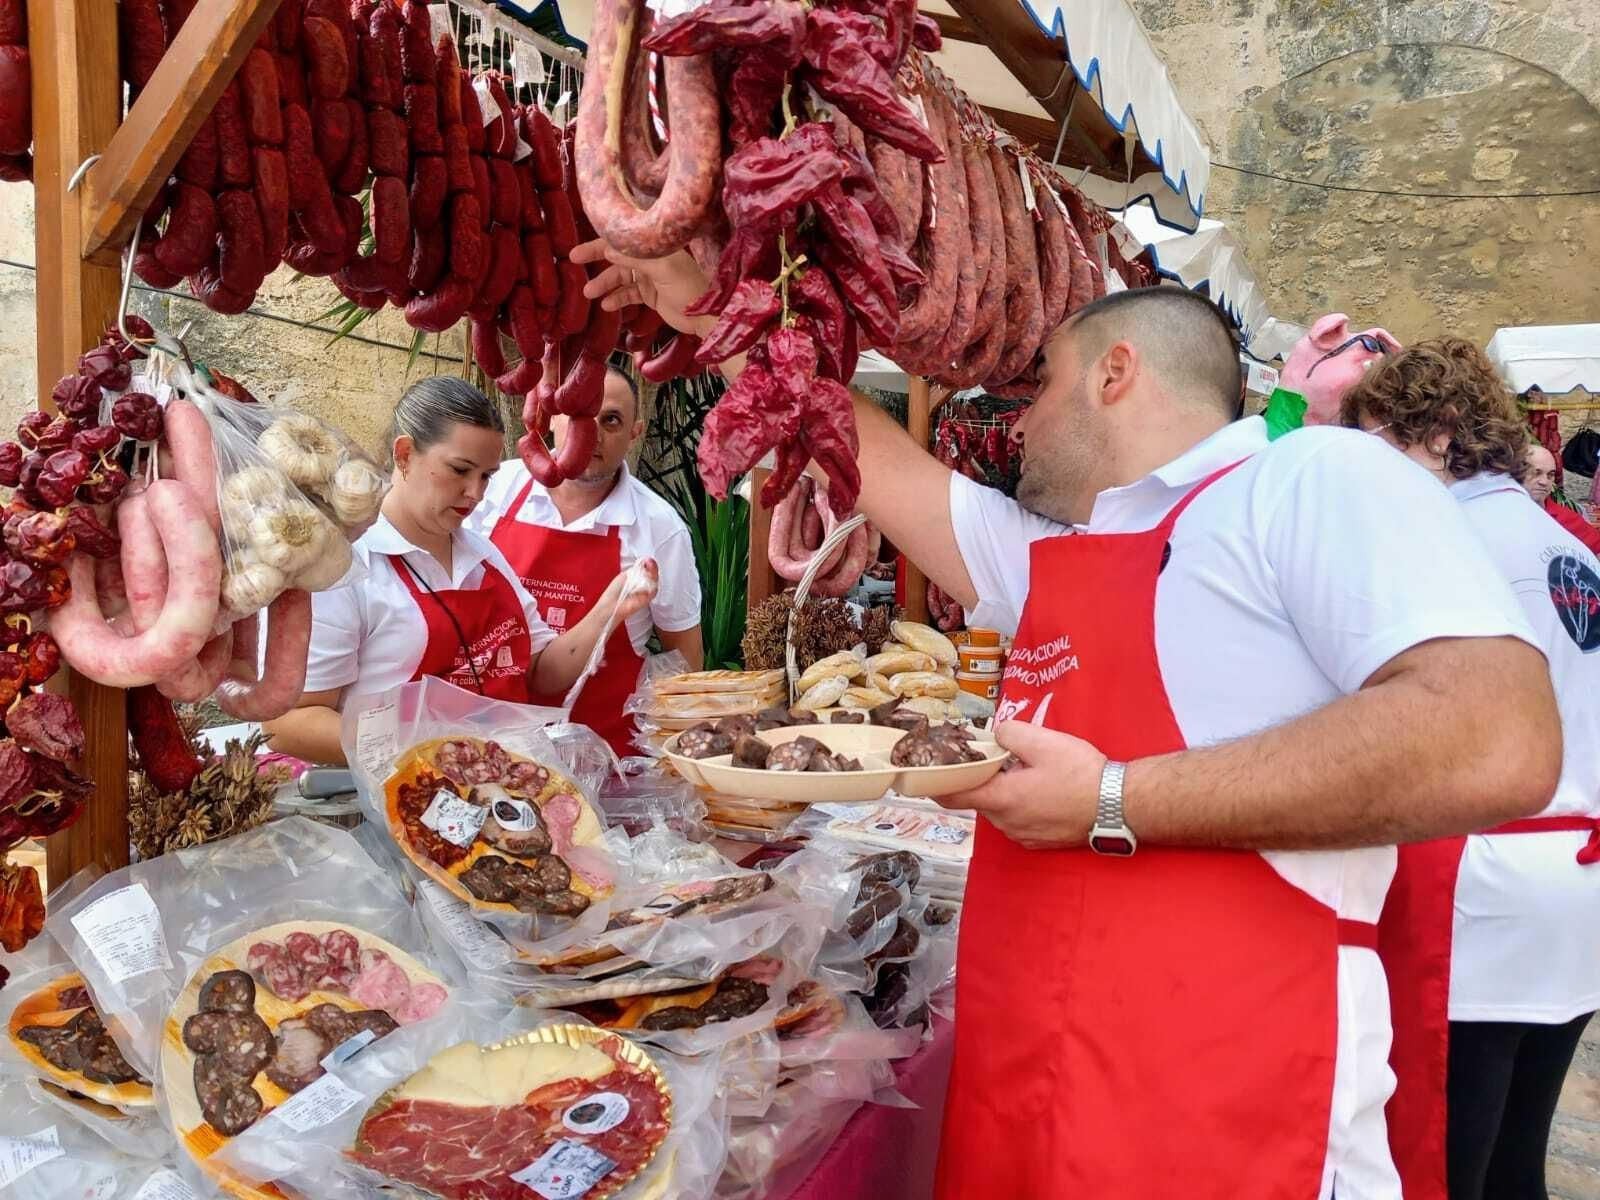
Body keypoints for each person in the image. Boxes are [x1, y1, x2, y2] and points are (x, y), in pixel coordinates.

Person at [574, 238, 1561, 1199]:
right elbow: (862, 447)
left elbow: (1495, 738)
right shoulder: (1058, 553)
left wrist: (1112, 799)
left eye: (1039, 386)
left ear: (1115, 374)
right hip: (1032, 1100)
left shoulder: (1307, 481)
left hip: (1225, 1113)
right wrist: (701, 304)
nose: (1018, 424)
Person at [1343, 340, 1600, 1200]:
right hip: (1572, 882)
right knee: (1519, 1154)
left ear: (1442, 432)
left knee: (1444, 1157)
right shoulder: (1563, 543)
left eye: (1383, 444)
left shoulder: (1451, 538)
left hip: (1484, 887)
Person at [264, 377, 656, 765]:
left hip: (491, 789)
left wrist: (611, 607)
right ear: (404, 455)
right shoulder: (345, 568)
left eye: (486, 476)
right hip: (387, 799)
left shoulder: (483, 555)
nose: (476, 493)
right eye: (459, 470)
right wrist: (429, 749)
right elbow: (287, 723)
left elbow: (541, 672)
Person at [465, 363, 702, 756]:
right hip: (491, 738)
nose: (591, 434)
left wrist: (674, 751)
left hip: (606, 752)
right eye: (579, 417)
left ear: (634, 434)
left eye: (611, 421)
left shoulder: (660, 527)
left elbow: (684, 656)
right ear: (553, 418)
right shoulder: (496, 490)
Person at [1522, 443, 1600, 556]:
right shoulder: (1497, 512)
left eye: (1550, 475)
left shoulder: (1565, 517)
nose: (1544, 482)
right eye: (1536, 473)